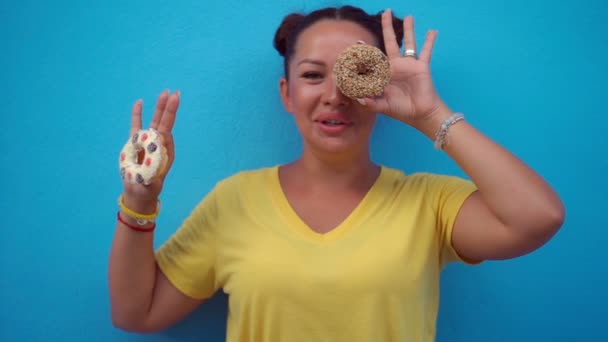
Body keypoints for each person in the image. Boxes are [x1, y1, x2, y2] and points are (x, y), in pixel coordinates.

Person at [108, 5, 565, 341]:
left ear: (381, 84)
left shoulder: (429, 202)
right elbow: (136, 314)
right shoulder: (235, 202)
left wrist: (430, 114)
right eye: (312, 76)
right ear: (287, 94)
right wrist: (140, 200)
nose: (334, 95)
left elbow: (537, 217)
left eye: (355, 75)